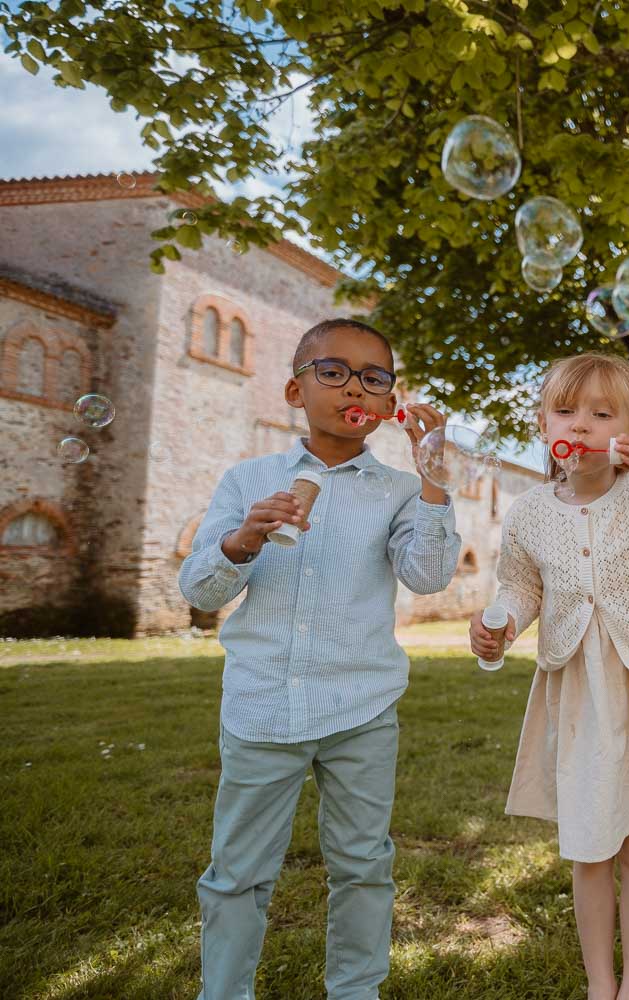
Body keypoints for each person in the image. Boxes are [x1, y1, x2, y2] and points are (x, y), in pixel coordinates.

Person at [179, 318, 459, 1000]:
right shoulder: (250, 477)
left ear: (391, 403)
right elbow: (200, 588)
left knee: (363, 864)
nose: (353, 386)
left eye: (374, 376)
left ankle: (356, 992)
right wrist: (244, 537)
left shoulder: (397, 490)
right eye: (332, 371)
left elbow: (427, 575)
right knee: (237, 872)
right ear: (294, 389)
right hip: (262, 706)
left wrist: (433, 482)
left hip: (360, 710)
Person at [469, 352, 629, 1000]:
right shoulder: (528, 513)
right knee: (588, 848)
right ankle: (598, 983)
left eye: (601, 414)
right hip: (579, 690)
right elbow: (520, 587)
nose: (579, 425)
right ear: (542, 421)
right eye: (565, 410)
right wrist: (501, 627)